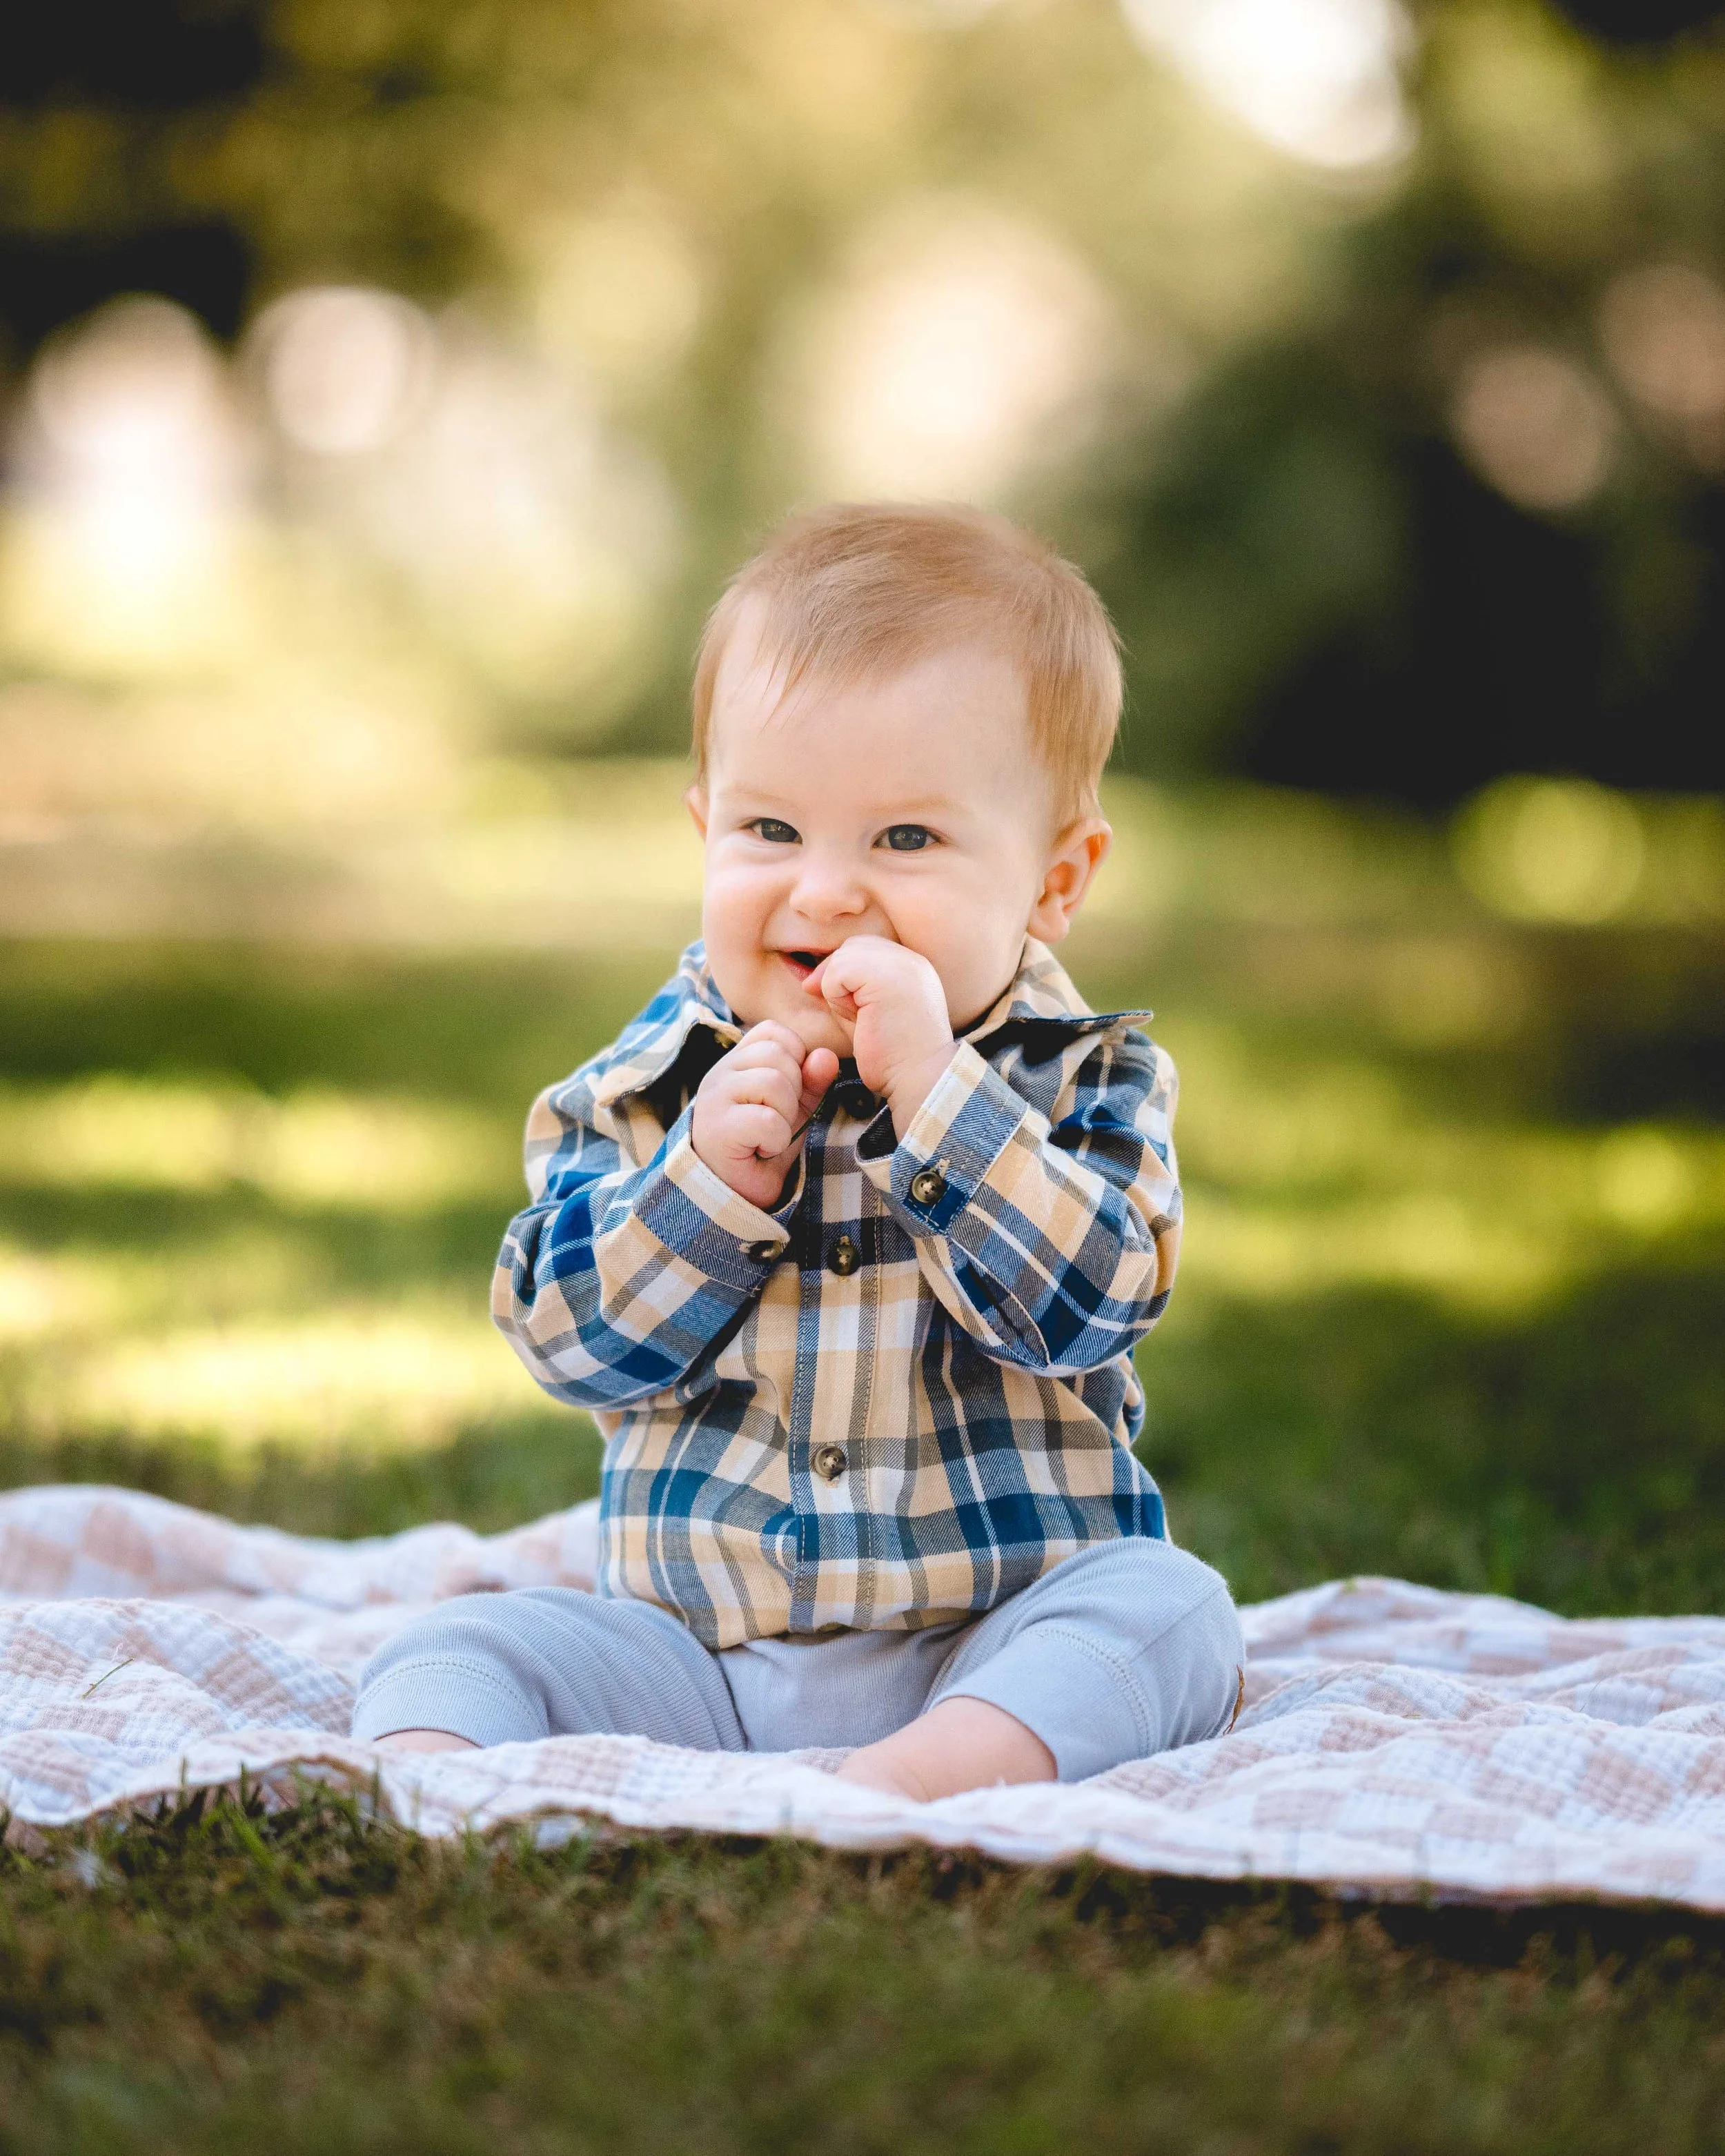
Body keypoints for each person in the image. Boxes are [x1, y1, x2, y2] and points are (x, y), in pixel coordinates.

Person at [351, 502, 1245, 1799]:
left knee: (1169, 1613)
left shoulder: (1084, 1077)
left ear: (1057, 879)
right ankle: (432, 1792)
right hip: (697, 1659)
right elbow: (561, 1340)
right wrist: (699, 1193)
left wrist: (943, 1098)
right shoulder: (648, 1088)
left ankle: (915, 1781)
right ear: (704, 823)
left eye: (906, 839)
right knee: (466, 1639)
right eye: (772, 832)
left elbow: (1097, 1307)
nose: (823, 892)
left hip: (990, 1634)